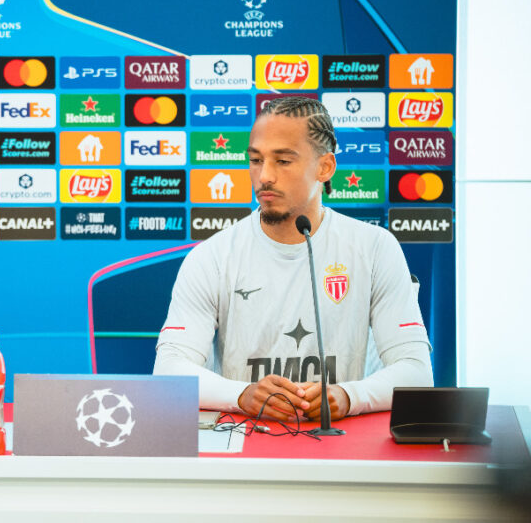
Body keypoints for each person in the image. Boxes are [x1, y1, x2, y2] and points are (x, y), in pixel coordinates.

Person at [154, 96, 432, 421]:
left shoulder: (374, 247)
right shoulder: (212, 257)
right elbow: (168, 370)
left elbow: (416, 371)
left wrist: (348, 396)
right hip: (244, 450)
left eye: (283, 161)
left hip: (341, 448)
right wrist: (241, 395)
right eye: (256, 160)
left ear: (325, 167)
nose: (264, 176)